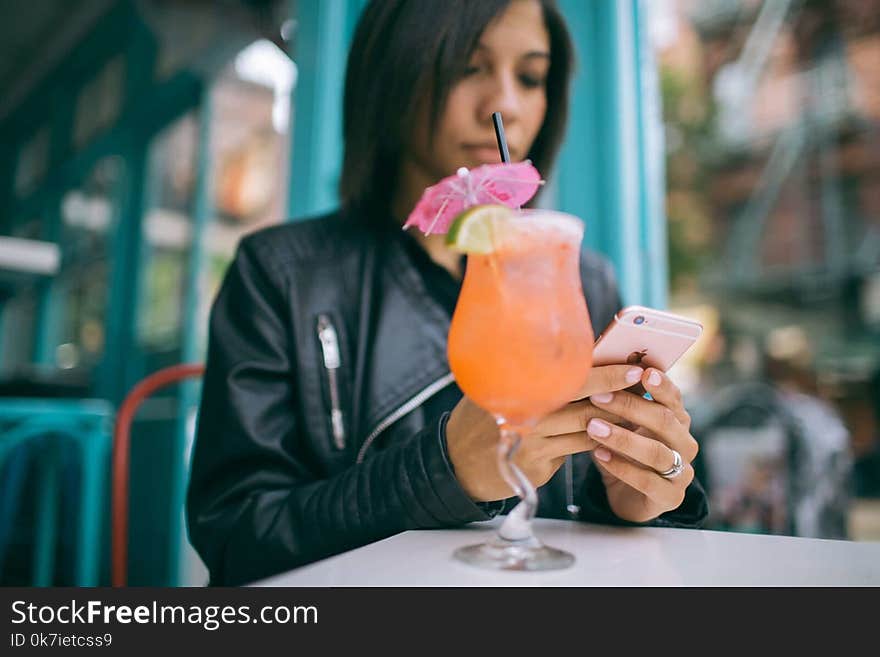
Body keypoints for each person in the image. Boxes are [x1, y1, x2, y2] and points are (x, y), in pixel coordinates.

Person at [186, 0, 708, 586]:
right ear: (394, 74)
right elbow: (234, 537)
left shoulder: (584, 280)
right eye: (467, 66)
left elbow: (590, 518)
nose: (504, 103)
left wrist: (638, 496)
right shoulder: (281, 274)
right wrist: (443, 470)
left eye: (531, 77)